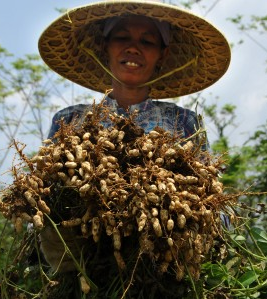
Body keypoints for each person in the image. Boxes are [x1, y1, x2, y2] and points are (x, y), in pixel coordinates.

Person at [37, 0, 230, 275]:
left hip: (164, 261)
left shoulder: (185, 122)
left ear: (162, 55)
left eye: (148, 41)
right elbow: (45, 196)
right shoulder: (68, 120)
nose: (133, 47)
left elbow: (211, 200)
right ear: (105, 46)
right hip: (83, 263)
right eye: (122, 37)